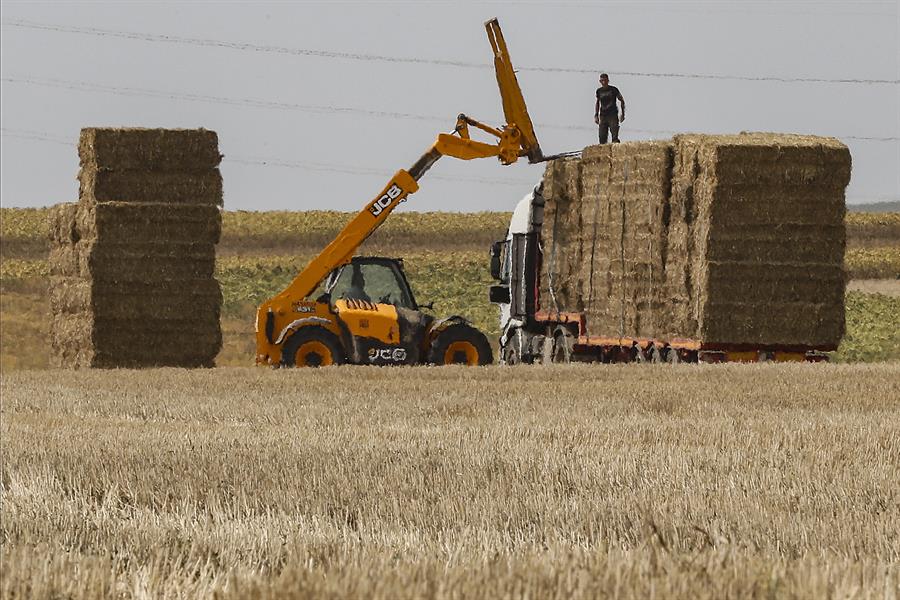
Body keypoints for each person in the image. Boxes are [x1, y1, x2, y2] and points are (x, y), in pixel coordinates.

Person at [594, 73, 625, 144]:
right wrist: (596, 115)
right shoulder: (599, 91)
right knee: (602, 137)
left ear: (608, 80)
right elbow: (597, 103)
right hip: (603, 115)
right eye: (602, 81)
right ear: (600, 81)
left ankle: (616, 150)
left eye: (605, 80)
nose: (604, 82)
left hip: (613, 115)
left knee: (614, 136)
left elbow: (622, 100)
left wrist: (622, 114)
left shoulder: (614, 89)